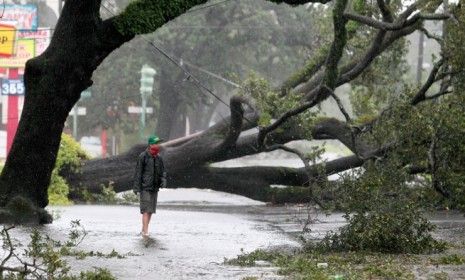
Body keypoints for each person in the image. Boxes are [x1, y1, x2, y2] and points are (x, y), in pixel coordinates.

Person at [133, 135, 167, 237]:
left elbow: (163, 171)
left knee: (151, 210)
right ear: (151, 144)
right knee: (146, 210)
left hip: (154, 187)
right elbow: (138, 172)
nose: (158, 145)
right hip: (145, 187)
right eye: (156, 143)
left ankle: (144, 229)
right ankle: (145, 232)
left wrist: (163, 180)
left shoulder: (159, 157)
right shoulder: (143, 156)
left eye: (158, 143)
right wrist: (136, 187)